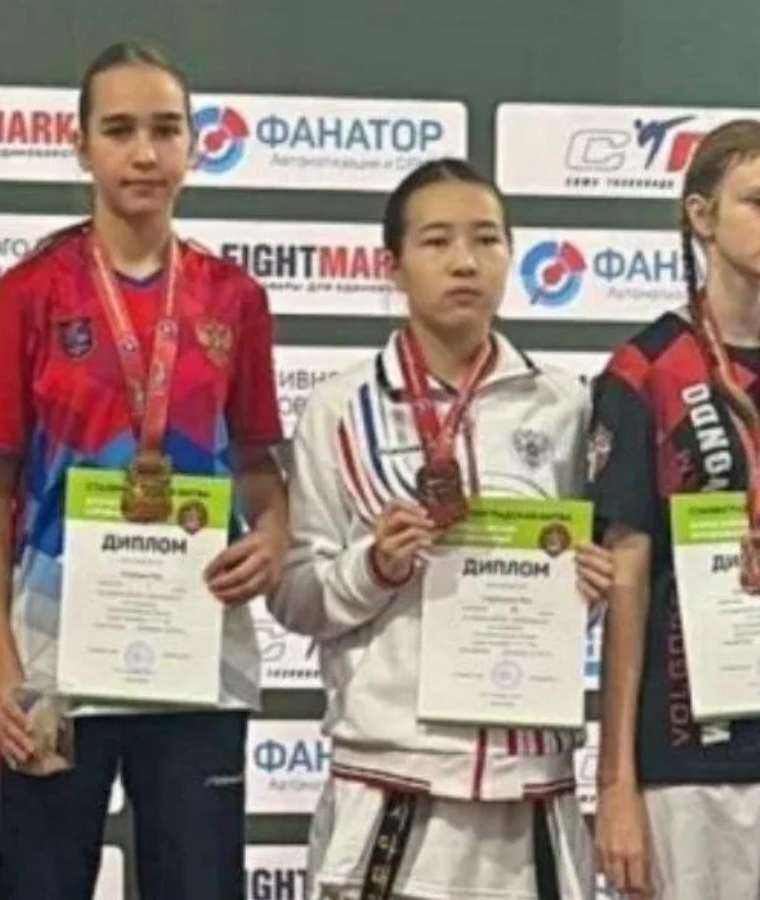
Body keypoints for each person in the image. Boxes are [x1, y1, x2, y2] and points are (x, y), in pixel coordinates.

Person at [0, 41, 289, 900]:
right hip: (55, 656)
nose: (145, 153)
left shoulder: (234, 299)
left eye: (165, 129)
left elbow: (258, 465)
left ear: (194, 145)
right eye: (119, 131)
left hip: (195, 655)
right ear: (81, 147)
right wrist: (1, 667)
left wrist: (276, 534)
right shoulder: (25, 295)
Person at [270, 158, 613, 900]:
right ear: (390, 265)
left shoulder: (566, 406)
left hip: (532, 790)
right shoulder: (340, 409)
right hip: (395, 784)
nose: (465, 261)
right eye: (436, 241)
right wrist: (376, 567)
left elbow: (581, 589)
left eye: (486, 240)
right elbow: (294, 595)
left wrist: (590, 590)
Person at [590, 119, 760, 900]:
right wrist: (616, 782)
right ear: (702, 216)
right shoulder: (644, 369)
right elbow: (627, 581)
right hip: (687, 753)